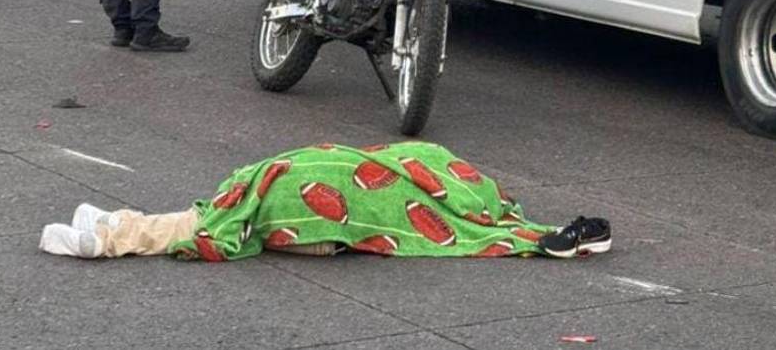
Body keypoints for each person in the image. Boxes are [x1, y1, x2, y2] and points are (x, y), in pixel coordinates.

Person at [39, 141, 611, 261]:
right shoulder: (458, 183)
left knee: (227, 211)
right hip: (325, 193)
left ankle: (115, 235)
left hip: (323, 212)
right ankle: (118, 227)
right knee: (239, 200)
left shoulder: (470, 201)